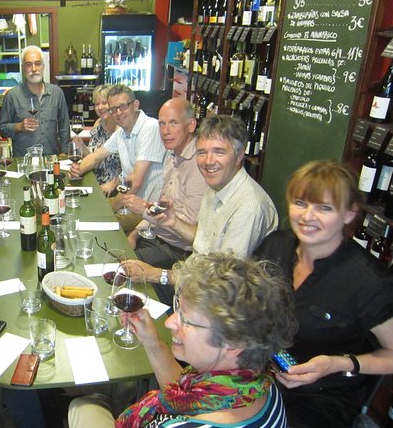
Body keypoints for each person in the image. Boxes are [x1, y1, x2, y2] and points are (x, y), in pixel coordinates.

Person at [68, 252, 297, 427]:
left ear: (234, 344)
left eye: (187, 320)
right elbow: (187, 398)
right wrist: (151, 340)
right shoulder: (259, 386)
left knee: (83, 406)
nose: (170, 322)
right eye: (178, 308)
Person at [253, 160, 393, 428]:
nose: (307, 217)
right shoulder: (275, 246)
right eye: (301, 203)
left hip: (318, 397)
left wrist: (337, 364)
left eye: (324, 208)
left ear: (350, 213)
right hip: (258, 373)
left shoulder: (368, 281)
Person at [124, 114, 278, 305]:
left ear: (239, 155)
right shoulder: (216, 186)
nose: (208, 161)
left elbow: (224, 282)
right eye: (202, 152)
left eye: (219, 152)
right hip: (191, 279)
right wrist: (173, 222)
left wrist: (159, 275)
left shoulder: (248, 208)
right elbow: (205, 241)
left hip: (214, 304)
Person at [123, 98, 208, 269]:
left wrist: (144, 211)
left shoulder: (200, 165)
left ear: (191, 125)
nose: (165, 131)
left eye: (173, 123)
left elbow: (188, 232)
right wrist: (134, 235)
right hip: (154, 237)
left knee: (119, 266)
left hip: (176, 252)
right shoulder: (172, 155)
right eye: (162, 124)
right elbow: (161, 205)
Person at [70, 84, 165, 231]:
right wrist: (78, 169)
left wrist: (112, 208)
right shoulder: (121, 133)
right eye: (113, 109)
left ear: (135, 105)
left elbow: (136, 182)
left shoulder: (149, 128)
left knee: (93, 224)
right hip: (128, 201)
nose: (118, 113)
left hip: (146, 208)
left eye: (122, 107)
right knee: (83, 210)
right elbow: (95, 157)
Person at [0, 45, 70, 157]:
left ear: (43, 66)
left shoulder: (57, 93)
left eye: (37, 63)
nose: (33, 69)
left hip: (51, 158)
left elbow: (64, 126)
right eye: (28, 65)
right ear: (23, 68)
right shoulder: (12, 96)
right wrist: (19, 126)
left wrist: (65, 152)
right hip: (23, 161)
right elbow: (2, 128)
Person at [71, 84, 121, 196]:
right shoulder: (98, 124)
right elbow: (94, 157)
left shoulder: (121, 129)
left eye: (104, 103)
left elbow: (129, 167)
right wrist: (82, 147)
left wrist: (114, 184)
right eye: (97, 104)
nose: (100, 107)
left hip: (112, 188)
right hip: (93, 180)